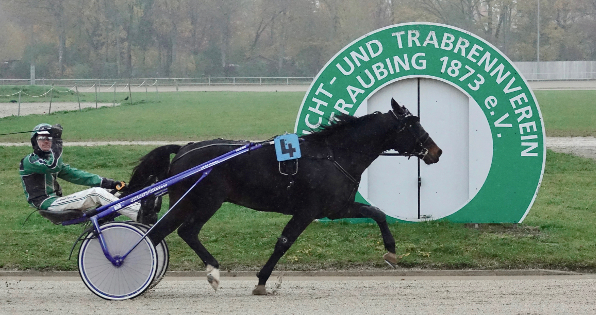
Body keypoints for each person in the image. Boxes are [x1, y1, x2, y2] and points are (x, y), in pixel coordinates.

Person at [19, 123, 141, 224]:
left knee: (111, 192)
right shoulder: (30, 161)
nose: (46, 141)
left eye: (49, 138)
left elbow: (77, 175)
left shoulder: (51, 161)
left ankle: (143, 206)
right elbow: (53, 166)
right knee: (97, 193)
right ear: (34, 141)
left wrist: (110, 183)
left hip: (56, 201)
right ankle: (139, 214)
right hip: (47, 204)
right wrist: (57, 142)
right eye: (41, 138)